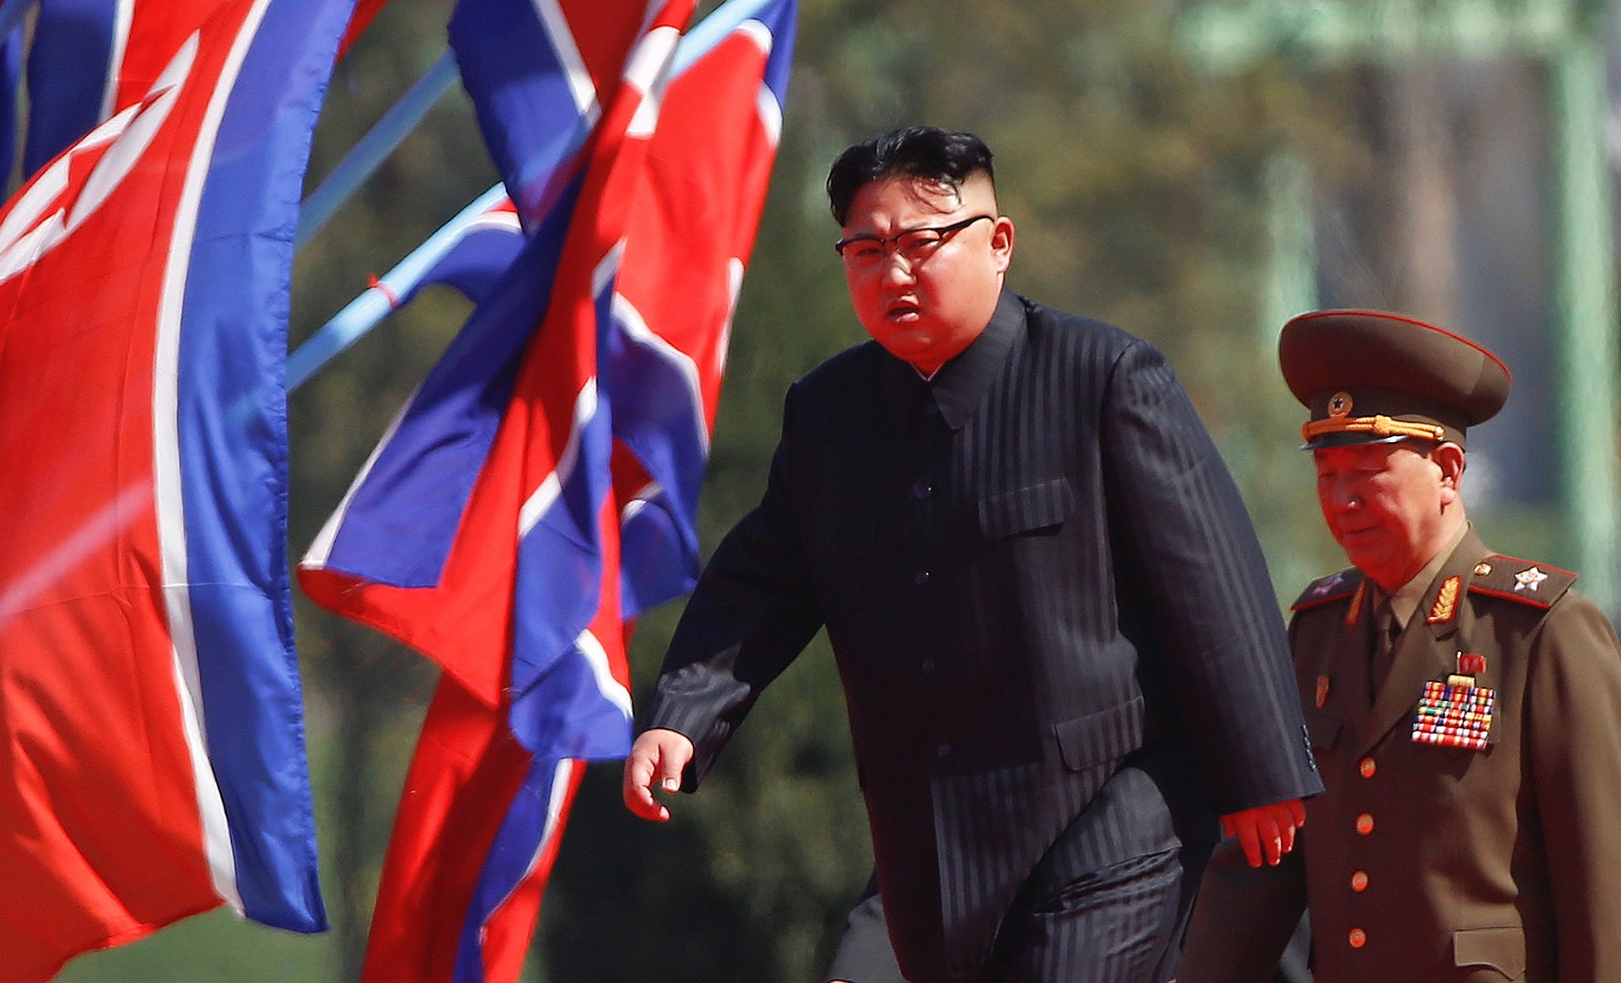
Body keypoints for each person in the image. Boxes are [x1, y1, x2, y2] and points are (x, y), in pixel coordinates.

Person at [622, 128, 1321, 983]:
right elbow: (763, 575)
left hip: (1115, 805)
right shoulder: (828, 415)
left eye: (922, 242)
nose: (895, 272)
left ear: (998, 244)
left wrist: (1262, 772)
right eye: (867, 250)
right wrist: (680, 713)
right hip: (934, 832)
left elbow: (1212, 581)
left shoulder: (1101, 377)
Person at [1178, 309, 1621, 983]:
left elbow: (1600, 873)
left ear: (1447, 469)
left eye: (1368, 471)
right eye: (1327, 475)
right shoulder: (1319, 631)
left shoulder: (1538, 631)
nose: (1343, 500)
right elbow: (1269, 859)